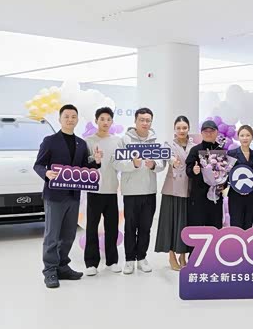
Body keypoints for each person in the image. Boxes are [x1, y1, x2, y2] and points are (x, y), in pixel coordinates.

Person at [34, 104, 102, 289]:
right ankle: (50, 270)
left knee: (69, 234)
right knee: (52, 235)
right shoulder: (50, 141)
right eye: (67, 116)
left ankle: (62, 266)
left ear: (77, 119)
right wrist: (46, 173)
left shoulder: (81, 143)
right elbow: (38, 165)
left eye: (73, 117)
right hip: (54, 196)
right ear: (60, 119)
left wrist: (96, 162)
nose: (70, 119)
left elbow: (84, 169)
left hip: (73, 196)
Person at [114, 107, 166, 275]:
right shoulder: (125, 140)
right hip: (130, 192)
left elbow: (162, 164)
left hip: (149, 191)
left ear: (151, 122)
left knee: (146, 227)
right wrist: (133, 164)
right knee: (130, 227)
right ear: (135, 121)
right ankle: (129, 260)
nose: (145, 123)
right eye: (141, 120)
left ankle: (142, 257)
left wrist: (154, 165)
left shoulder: (155, 141)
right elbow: (116, 163)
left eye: (148, 120)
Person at [83, 107, 122, 276]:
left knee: (112, 227)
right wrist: (95, 159)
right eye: (102, 119)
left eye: (108, 119)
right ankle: (91, 263)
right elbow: (84, 165)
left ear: (112, 121)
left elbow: (122, 163)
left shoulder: (117, 141)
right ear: (96, 120)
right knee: (91, 227)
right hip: (94, 190)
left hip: (111, 189)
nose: (105, 122)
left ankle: (112, 261)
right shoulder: (88, 141)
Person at [155, 116, 197, 271]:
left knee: (185, 223)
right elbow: (168, 157)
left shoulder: (194, 146)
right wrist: (173, 161)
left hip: (188, 189)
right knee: (170, 223)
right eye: (178, 128)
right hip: (172, 189)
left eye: (184, 128)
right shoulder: (168, 145)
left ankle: (183, 255)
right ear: (174, 129)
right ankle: (172, 255)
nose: (181, 130)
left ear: (188, 128)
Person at [185, 120, 224, 230]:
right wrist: (194, 170)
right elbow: (188, 170)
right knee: (197, 229)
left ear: (217, 132)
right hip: (198, 197)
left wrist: (222, 185)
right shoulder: (195, 150)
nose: (209, 133)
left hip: (215, 197)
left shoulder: (221, 151)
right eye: (206, 131)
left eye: (212, 131)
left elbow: (225, 173)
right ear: (201, 133)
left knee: (215, 229)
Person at [227, 125, 253, 230]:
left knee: (248, 225)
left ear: (252, 137)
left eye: (248, 135)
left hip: (251, 195)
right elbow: (228, 174)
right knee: (236, 226)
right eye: (242, 135)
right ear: (238, 137)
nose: (245, 138)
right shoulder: (231, 153)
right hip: (235, 195)